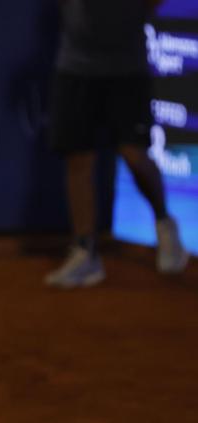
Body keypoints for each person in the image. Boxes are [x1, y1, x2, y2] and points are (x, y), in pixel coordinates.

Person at [45, 0, 189, 288]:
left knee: (133, 154)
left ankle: (164, 223)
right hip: (75, 67)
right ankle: (85, 251)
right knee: (78, 159)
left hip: (126, 69)